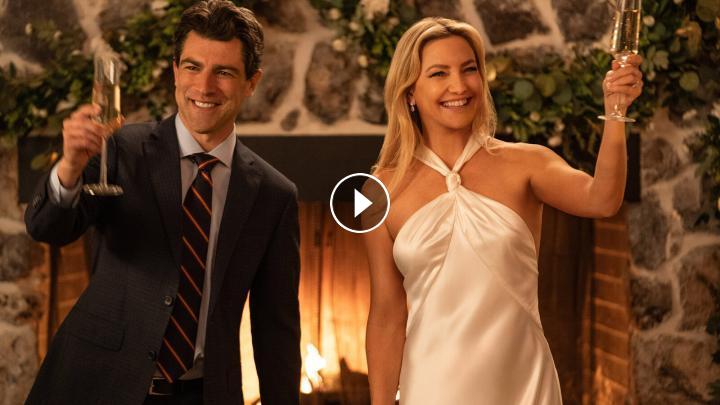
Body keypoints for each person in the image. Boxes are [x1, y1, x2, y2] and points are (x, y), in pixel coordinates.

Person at [24, 1, 301, 404]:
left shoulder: (274, 195)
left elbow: (277, 328)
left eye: (223, 72)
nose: (204, 87)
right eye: (192, 67)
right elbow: (47, 228)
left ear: (252, 82)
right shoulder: (120, 148)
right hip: (96, 385)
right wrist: (69, 168)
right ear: (175, 71)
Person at [363, 17, 643, 404]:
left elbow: (603, 199)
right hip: (431, 388)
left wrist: (615, 112)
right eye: (439, 73)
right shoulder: (379, 191)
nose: (459, 86)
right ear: (410, 91)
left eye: (469, 69)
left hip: (523, 386)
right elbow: (386, 315)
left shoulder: (527, 163)